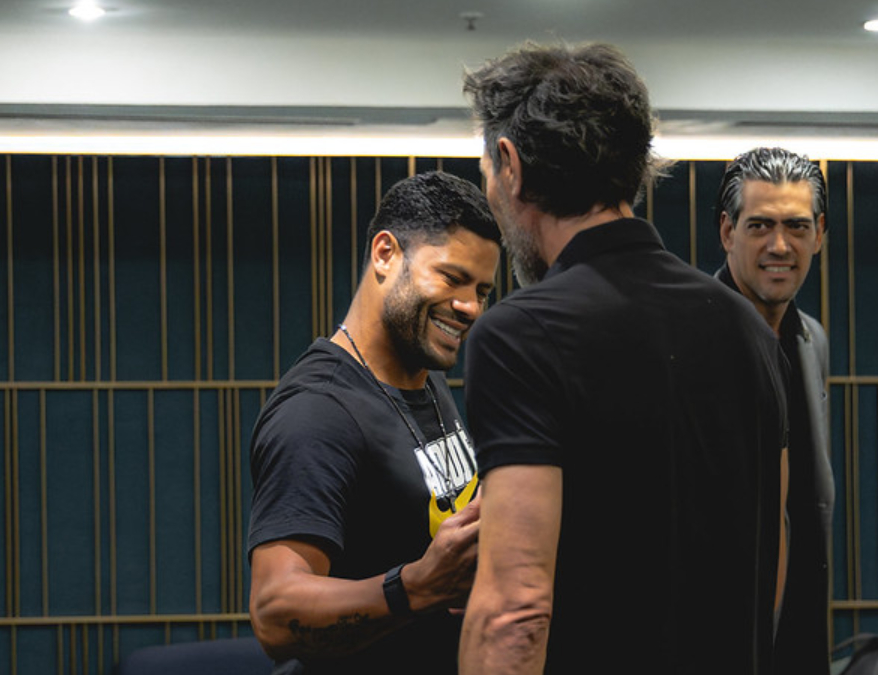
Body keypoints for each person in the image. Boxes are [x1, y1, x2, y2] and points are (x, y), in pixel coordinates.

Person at [458, 42, 790, 674]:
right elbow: (772, 553)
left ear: (510, 163)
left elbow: (515, 613)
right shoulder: (747, 328)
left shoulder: (520, 335)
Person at [246, 171, 501, 674]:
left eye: (482, 289)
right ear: (385, 254)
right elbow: (274, 614)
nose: (470, 306)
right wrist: (418, 586)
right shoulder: (317, 412)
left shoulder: (422, 378)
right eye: (451, 278)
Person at [715, 147, 833, 675]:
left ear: (820, 234)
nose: (780, 245)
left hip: (800, 631)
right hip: (718, 636)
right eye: (760, 225)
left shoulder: (814, 340)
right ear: (727, 232)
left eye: (797, 226)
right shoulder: (691, 337)